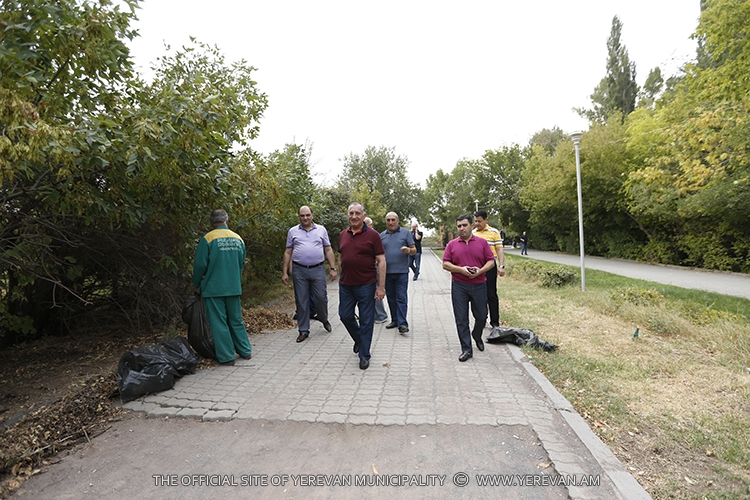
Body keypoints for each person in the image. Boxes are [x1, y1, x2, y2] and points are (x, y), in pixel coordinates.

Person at [192, 209, 253, 365]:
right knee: (236, 319)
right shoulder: (238, 238)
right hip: (233, 286)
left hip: (213, 288)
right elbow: (241, 262)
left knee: (219, 322)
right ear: (227, 220)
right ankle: (245, 351)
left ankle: (226, 357)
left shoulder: (208, 239)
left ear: (211, 222)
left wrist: (197, 283)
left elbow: (200, 265)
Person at [338, 203, 386, 370]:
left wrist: (381, 287)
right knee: (344, 316)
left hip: (366, 284)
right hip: (346, 285)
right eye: (351, 213)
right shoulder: (343, 234)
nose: (354, 216)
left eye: (357, 213)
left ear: (364, 216)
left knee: (366, 321)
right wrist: (340, 274)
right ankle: (359, 339)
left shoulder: (373, 235)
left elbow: (381, 261)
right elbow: (342, 257)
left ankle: (364, 355)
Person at [442, 214, 495, 362]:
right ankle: (466, 349)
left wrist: (480, 271)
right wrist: (461, 269)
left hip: (479, 285)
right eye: (459, 226)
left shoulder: (482, 243)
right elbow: (445, 264)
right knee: (461, 319)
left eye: (464, 225)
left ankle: (476, 335)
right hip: (459, 286)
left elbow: (491, 261)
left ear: (471, 226)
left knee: (482, 316)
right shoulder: (452, 244)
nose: (462, 228)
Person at [282, 206, 337, 343]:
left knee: (321, 298)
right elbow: (288, 252)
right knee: (302, 300)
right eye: (302, 215)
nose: (305, 218)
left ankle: (323, 318)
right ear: (299, 217)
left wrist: (333, 268)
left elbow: (328, 249)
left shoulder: (321, 230)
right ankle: (303, 330)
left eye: (307, 215)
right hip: (299, 270)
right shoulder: (293, 231)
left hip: (318, 269)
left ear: (312, 215)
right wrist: (284, 272)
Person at [380, 212, 416, 333]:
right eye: (388, 220)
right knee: (391, 298)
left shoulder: (405, 233)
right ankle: (395, 320)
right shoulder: (381, 236)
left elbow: (414, 250)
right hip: (387, 272)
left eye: (393, 220)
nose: (390, 222)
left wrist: (408, 250)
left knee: (401, 297)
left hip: (401, 272)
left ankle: (402, 324)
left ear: (398, 221)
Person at [472, 210, 505, 335]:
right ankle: (482, 319)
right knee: (479, 294)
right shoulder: (473, 233)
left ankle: (495, 322)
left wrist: (501, 266)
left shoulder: (494, 232)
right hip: (476, 266)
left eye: (479, 221)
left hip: (490, 265)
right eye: (475, 221)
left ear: (486, 220)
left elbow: (500, 250)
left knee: (491, 294)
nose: (477, 223)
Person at [365, 217, 389, 324]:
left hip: (375, 267)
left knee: (376, 290)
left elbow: (380, 253)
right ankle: (374, 315)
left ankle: (381, 315)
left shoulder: (375, 235)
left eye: (366, 224)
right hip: (366, 268)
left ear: (371, 225)